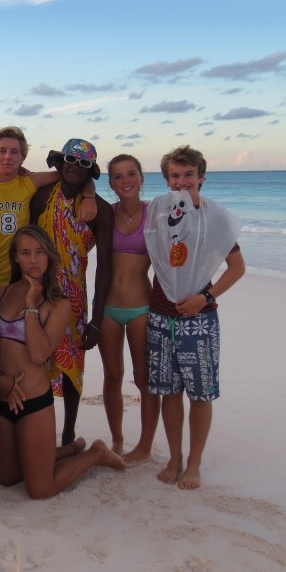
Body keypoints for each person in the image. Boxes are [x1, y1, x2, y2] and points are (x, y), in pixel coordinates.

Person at [0, 226, 125, 499]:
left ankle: (95, 454)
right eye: (26, 253)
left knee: (40, 489)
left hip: (34, 403)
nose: (34, 260)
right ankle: (68, 450)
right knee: (6, 478)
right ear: (15, 257)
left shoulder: (58, 304)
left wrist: (30, 305)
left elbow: (39, 354)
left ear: (49, 256)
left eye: (40, 252)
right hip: (1, 399)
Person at [144, 145, 245, 489]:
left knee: (200, 394)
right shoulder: (159, 211)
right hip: (160, 315)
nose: (182, 181)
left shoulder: (214, 217)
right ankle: (174, 457)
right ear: (167, 180)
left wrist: (204, 298)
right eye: (175, 175)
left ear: (201, 177)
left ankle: (195, 462)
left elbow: (237, 268)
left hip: (199, 319)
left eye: (189, 175)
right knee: (169, 392)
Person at [30, 138, 113, 447]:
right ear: (60, 163)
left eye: (83, 163)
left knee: (72, 367)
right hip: (38, 295)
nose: (75, 168)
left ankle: (67, 434)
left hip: (75, 300)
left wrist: (97, 320)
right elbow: (22, 246)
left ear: (91, 170)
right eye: (70, 160)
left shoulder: (100, 210)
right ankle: (39, 429)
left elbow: (105, 267)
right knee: (37, 362)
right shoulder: (39, 199)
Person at [0, 126, 96, 292]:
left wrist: (89, 196)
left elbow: (76, 174)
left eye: (14, 152)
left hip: (19, 279)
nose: (8, 156)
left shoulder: (29, 183)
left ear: (22, 158)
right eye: (2, 151)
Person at [98, 154, 158, 463]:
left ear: (141, 177)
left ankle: (145, 446)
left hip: (141, 309)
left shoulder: (156, 214)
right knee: (112, 376)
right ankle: (118, 439)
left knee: (143, 378)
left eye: (131, 174)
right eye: (118, 177)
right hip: (108, 308)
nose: (125, 181)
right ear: (110, 183)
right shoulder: (106, 214)